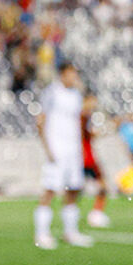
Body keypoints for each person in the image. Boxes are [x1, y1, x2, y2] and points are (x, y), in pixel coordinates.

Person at [34, 63, 93, 249]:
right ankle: (42, 233)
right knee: (50, 189)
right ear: (62, 74)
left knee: (74, 189)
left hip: (73, 150)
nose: (74, 78)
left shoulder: (76, 95)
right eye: (71, 74)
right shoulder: (52, 93)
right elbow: (40, 120)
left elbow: (80, 120)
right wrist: (47, 148)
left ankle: (71, 232)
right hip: (57, 148)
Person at [81, 94, 111, 228]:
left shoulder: (83, 117)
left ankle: (95, 214)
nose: (93, 105)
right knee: (102, 186)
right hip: (86, 159)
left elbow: (88, 135)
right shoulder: (82, 116)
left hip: (83, 158)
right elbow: (86, 134)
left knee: (100, 186)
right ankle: (96, 214)